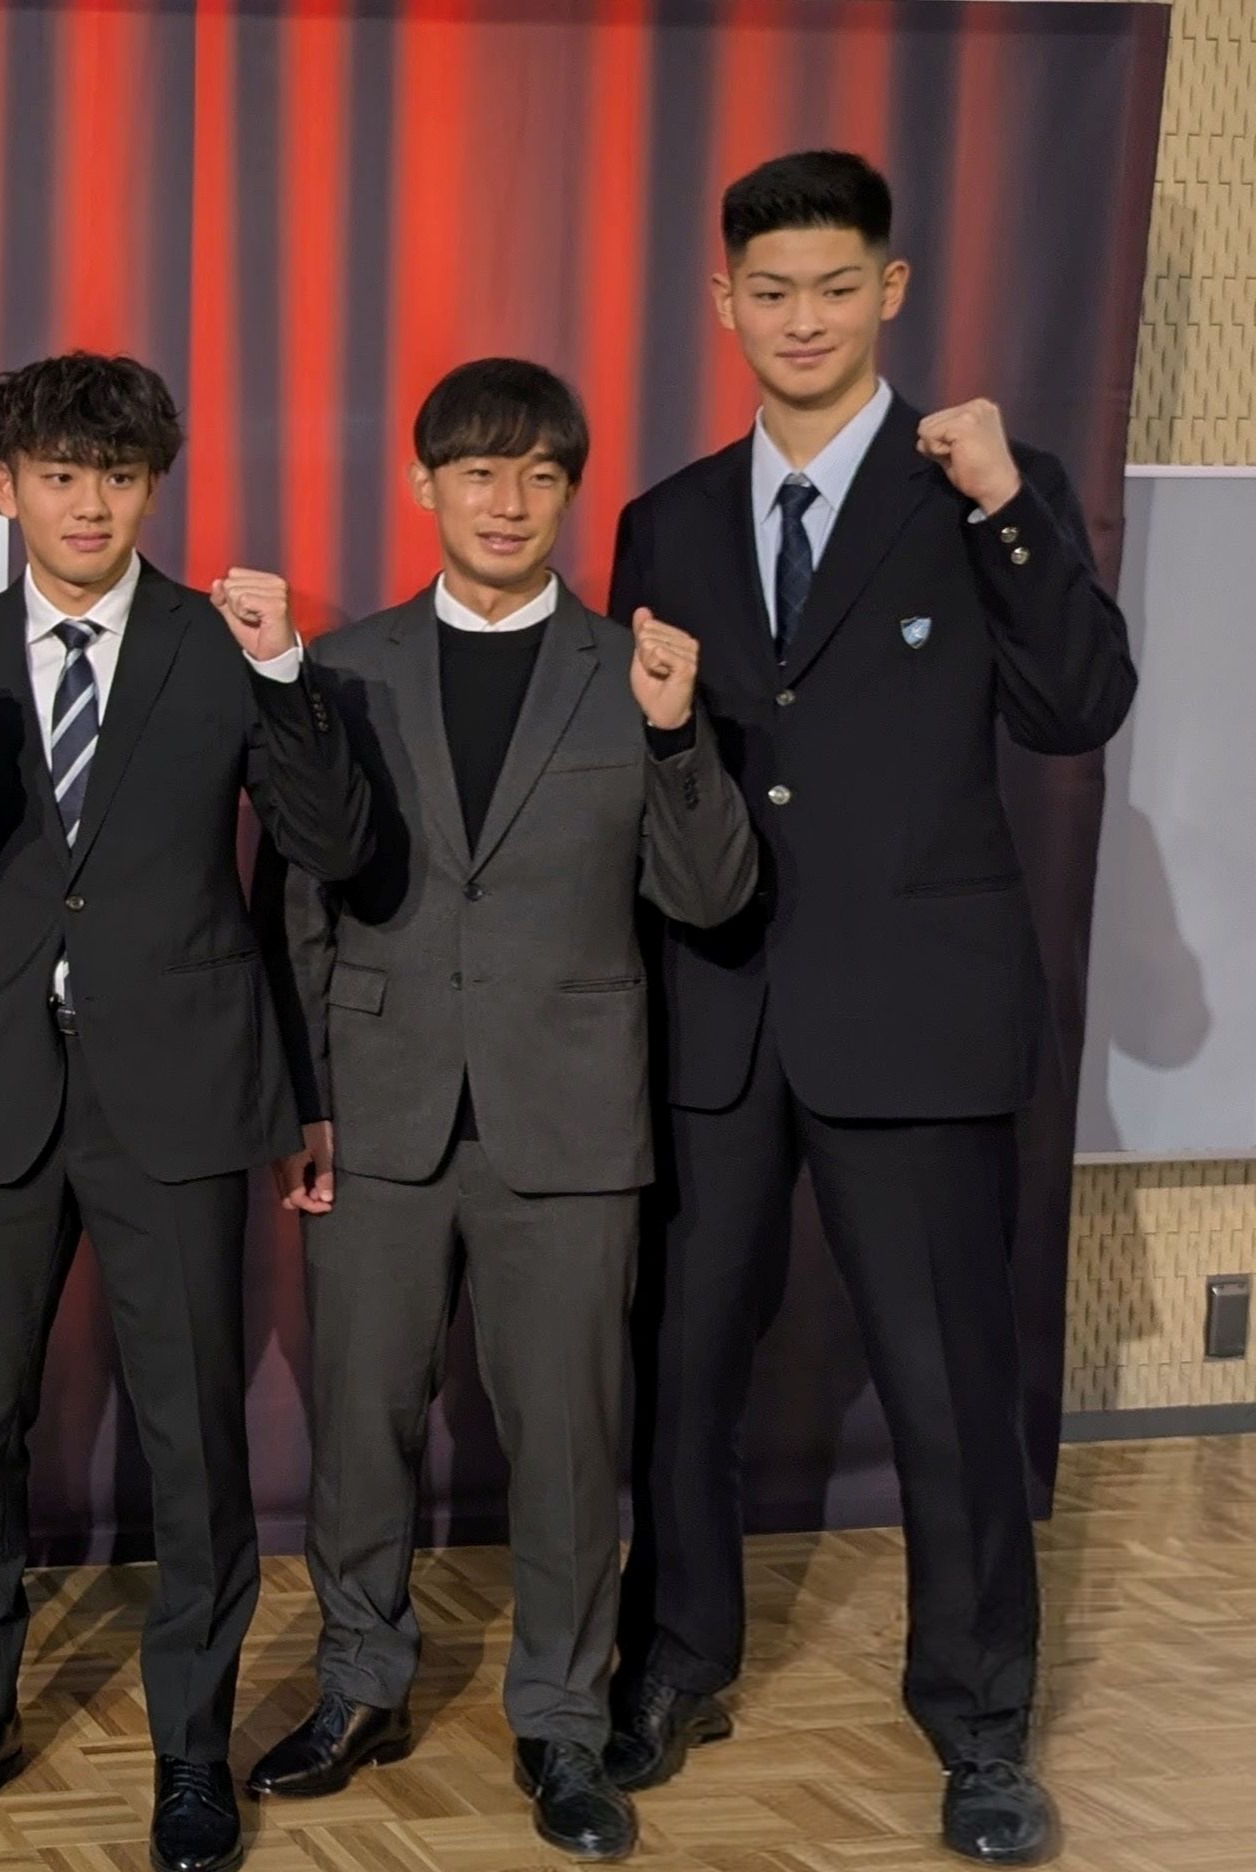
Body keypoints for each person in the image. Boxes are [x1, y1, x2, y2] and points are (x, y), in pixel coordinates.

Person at [605, 150, 1136, 1867]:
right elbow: (646, 775)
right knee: (680, 1369)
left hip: (914, 1015)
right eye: (772, 291)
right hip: (712, 1016)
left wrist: (1006, 505)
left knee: (950, 1389)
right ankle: (674, 1661)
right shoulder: (669, 519)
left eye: (838, 287)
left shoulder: (979, 485)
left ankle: (979, 1723)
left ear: (891, 291)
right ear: (724, 303)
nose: (805, 318)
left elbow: (1077, 706)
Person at [246, 359, 757, 1863]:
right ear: (424, 485)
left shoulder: (635, 666)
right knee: (361, 1423)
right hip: (381, 1110)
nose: (508, 501)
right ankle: (359, 1685)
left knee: (571, 1440)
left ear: (571, 492)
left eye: (539, 475)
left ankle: (564, 1720)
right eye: (478, 470)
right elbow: (301, 907)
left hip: (572, 1117)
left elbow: (711, 895)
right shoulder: (346, 669)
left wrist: (676, 736)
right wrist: (310, 1102)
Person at [0, 352, 367, 1872]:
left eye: (120, 476)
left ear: (155, 487)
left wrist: (287, 677)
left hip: (182, 1090)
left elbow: (334, 845)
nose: (89, 504)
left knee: (194, 1436)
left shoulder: (227, 643)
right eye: (59, 475)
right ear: (4, 486)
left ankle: (191, 1749)